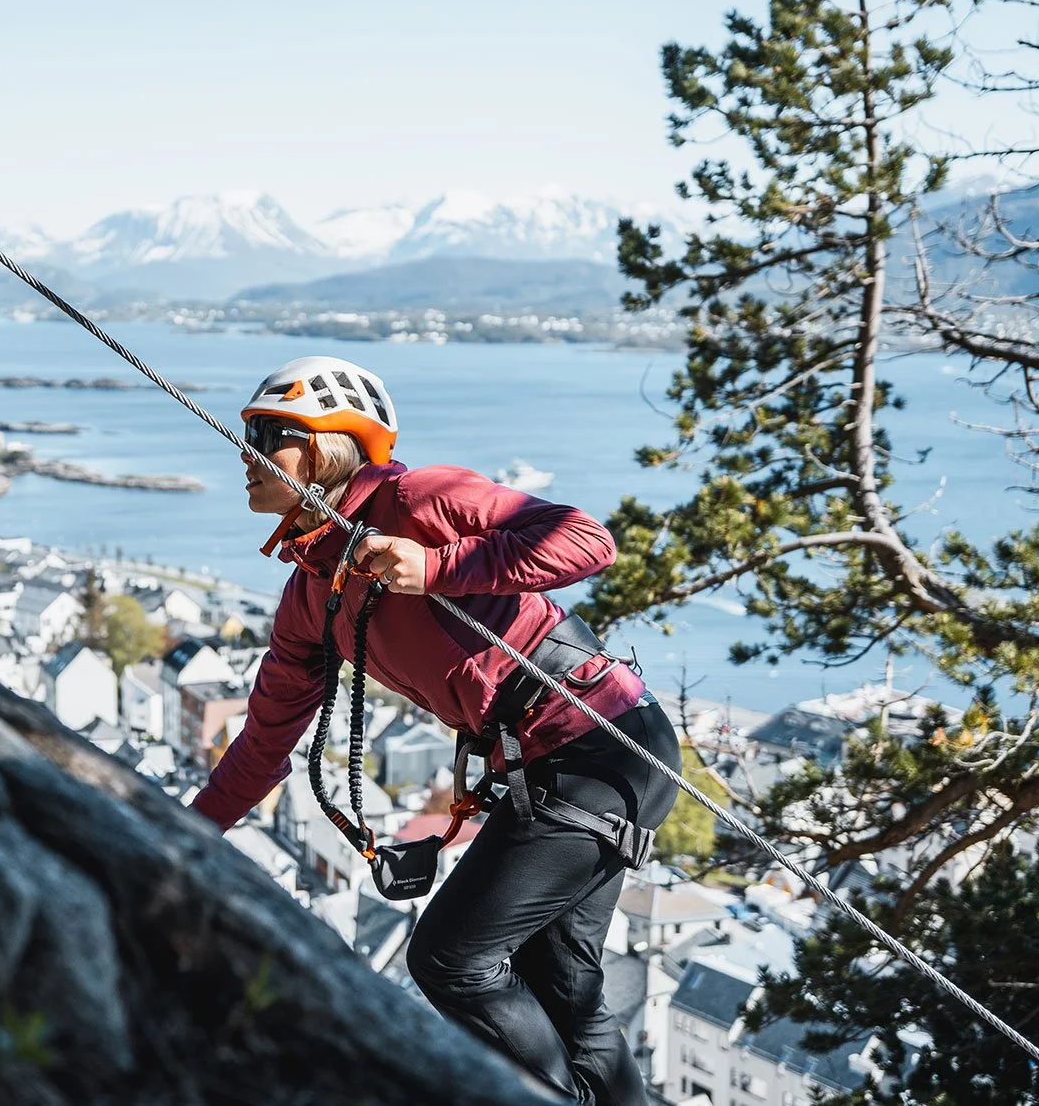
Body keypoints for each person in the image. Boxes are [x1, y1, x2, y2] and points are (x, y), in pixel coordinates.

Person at [191, 355, 680, 1106]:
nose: (246, 453)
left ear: (324, 448)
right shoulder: (309, 596)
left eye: (269, 434)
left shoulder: (418, 499)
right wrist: (184, 828)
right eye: (248, 433)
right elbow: (264, 740)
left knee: (452, 956)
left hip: (598, 746)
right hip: (572, 758)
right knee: (565, 986)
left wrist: (438, 564)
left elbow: (587, 540)